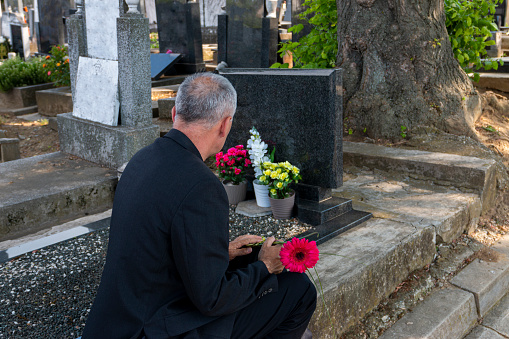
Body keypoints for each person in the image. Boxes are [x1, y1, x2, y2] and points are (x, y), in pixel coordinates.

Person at [82, 73, 317, 339]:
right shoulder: (202, 186)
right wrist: (265, 266)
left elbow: (153, 247)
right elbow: (213, 300)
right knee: (299, 291)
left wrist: (218, 253)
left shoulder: (141, 160)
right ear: (225, 125)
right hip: (154, 329)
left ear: (174, 114)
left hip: (117, 319)